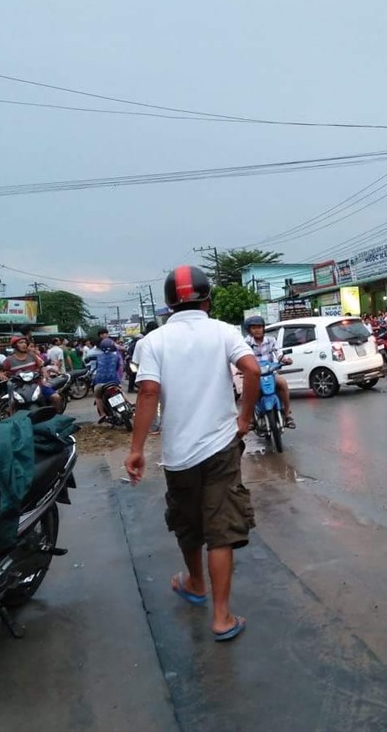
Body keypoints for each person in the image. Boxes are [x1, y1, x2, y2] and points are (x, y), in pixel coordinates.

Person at [126, 265, 260, 643]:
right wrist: (244, 416)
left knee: (188, 523)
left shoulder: (153, 341)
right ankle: (221, 617)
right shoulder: (223, 331)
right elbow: (251, 369)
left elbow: (148, 394)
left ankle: (196, 583)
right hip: (221, 447)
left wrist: (136, 449)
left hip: (178, 454)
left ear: (168, 304)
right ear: (208, 299)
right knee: (221, 530)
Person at [243, 315, 295, 428]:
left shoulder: (271, 341)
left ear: (263, 328)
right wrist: (240, 368)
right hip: (254, 376)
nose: (257, 330)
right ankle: (251, 419)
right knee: (247, 392)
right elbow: (242, 357)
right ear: (249, 330)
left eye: (259, 327)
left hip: (270, 373)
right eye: (254, 328)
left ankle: (287, 415)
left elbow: (278, 353)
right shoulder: (245, 343)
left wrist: (285, 360)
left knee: (283, 384)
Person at [2, 335, 63, 411]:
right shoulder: (9, 360)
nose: (24, 344)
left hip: (37, 385)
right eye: (21, 343)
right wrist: (2, 375)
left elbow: (41, 367)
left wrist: (45, 375)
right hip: (19, 389)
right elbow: (1, 370)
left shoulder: (32, 356)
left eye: (25, 342)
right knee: (11, 404)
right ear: (15, 345)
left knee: (56, 398)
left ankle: (55, 417)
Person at [93, 338, 124, 422]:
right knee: (120, 390)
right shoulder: (116, 356)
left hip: (99, 382)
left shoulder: (98, 357)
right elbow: (117, 367)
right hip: (113, 381)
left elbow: (97, 367)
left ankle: (102, 414)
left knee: (97, 397)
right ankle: (128, 402)